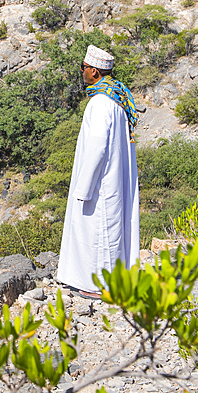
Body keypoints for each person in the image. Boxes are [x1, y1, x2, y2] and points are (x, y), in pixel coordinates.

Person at [57, 45, 140, 298]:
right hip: (113, 178)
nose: (81, 72)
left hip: (101, 181)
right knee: (111, 228)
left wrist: (84, 186)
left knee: (100, 231)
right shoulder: (117, 99)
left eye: (83, 68)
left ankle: (99, 286)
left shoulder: (100, 103)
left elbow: (96, 149)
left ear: (94, 71)